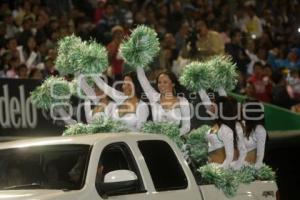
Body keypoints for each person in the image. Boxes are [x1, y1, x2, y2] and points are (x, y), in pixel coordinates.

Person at [137, 67, 190, 136]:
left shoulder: (182, 101)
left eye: (165, 82)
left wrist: (173, 135)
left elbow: (186, 127)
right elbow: (142, 78)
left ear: (173, 84)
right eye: (159, 82)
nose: (161, 85)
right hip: (157, 140)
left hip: (174, 140)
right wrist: (138, 60)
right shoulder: (153, 97)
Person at [243, 99, 266, 168]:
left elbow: (260, 157)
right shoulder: (243, 125)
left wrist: (254, 173)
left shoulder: (259, 130)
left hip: (249, 171)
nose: (241, 110)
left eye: (244, 108)